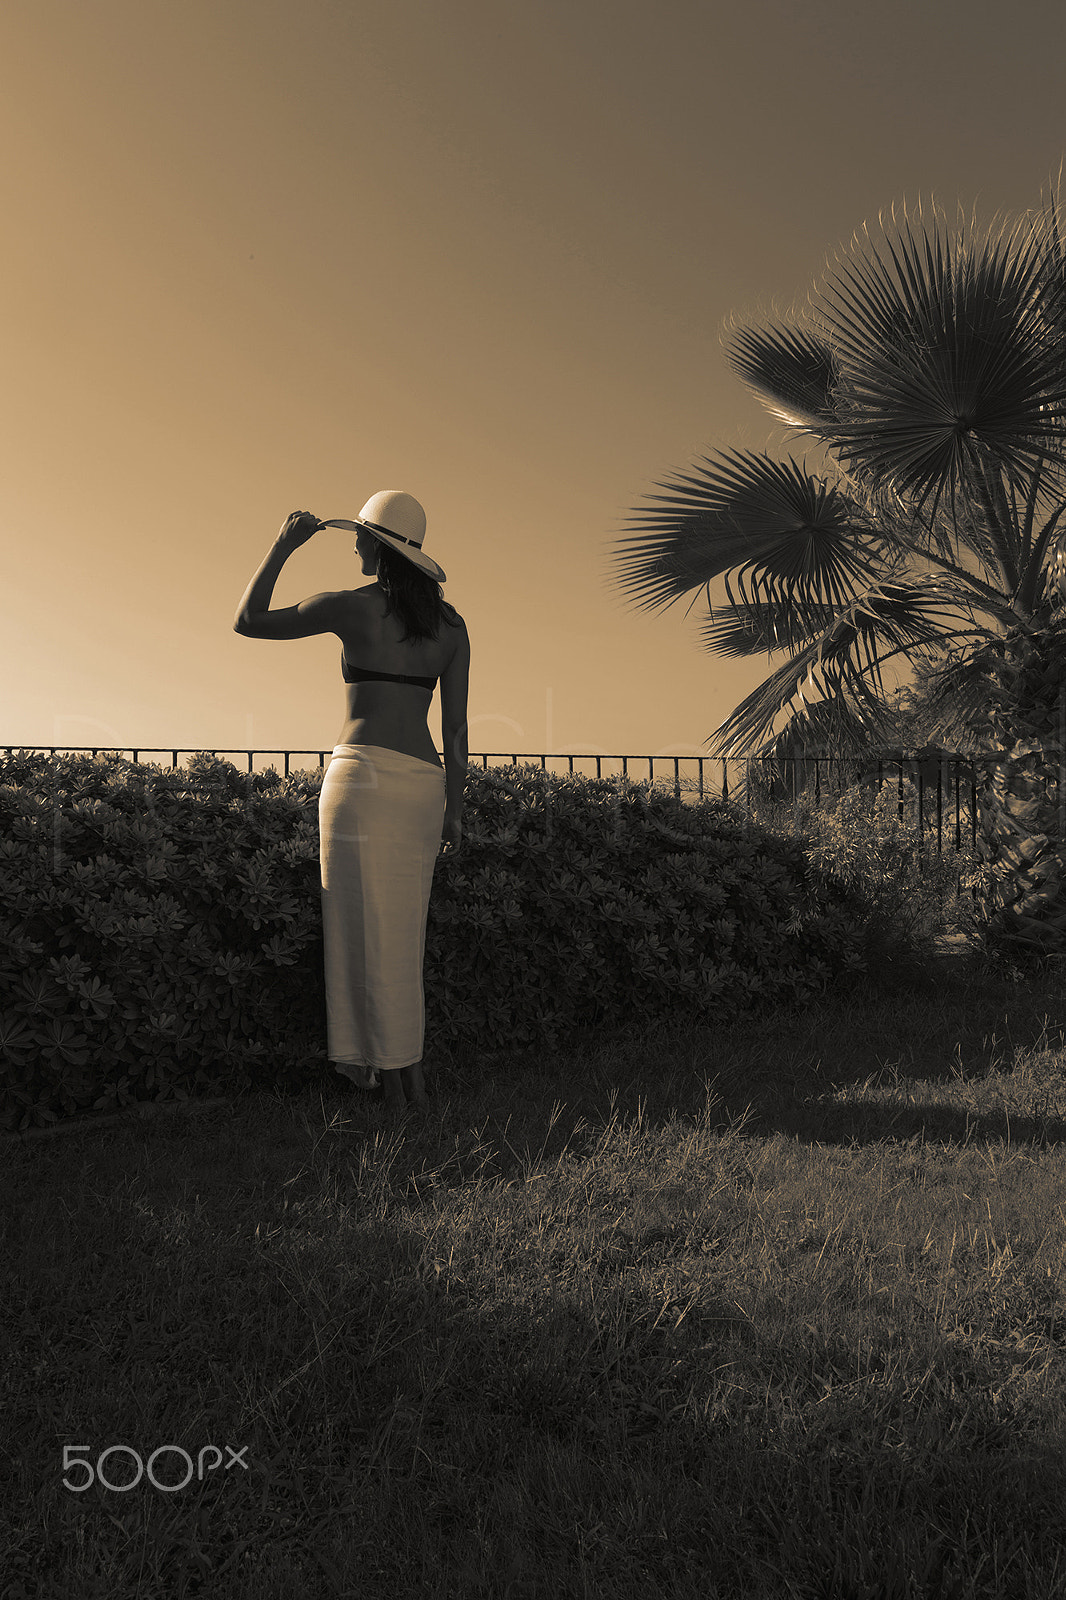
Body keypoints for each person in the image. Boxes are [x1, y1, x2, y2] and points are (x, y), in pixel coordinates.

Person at [233, 491, 470, 1120]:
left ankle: (389, 1084)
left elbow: (249, 619)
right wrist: (455, 808)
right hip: (422, 784)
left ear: (380, 547)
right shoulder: (451, 627)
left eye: (361, 537)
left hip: (361, 782)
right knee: (403, 934)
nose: (355, 545)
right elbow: (455, 730)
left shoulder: (352, 607)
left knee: (363, 934)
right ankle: (410, 1080)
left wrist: (285, 544)